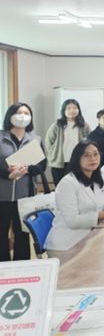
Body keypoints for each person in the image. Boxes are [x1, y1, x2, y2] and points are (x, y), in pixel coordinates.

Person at [44, 140, 104, 252]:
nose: (93, 158)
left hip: (90, 237)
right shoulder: (67, 183)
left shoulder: (100, 177)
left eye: (96, 154)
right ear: (77, 159)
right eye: (86, 155)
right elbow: (73, 221)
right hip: (66, 243)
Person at [0, 103, 47, 261]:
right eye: (19, 112)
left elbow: (42, 165)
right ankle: (2, 267)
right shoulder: (1, 137)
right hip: (2, 195)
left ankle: (22, 266)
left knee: (22, 234)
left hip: (25, 195)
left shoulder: (35, 139)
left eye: (26, 113)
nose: (23, 116)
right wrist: (9, 174)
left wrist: (27, 170)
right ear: (10, 115)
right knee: (1, 232)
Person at [46, 98, 91, 186]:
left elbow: (89, 141)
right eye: (68, 108)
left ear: (78, 110)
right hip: (59, 163)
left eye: (74, 108)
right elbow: (49, 142)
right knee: (60, 186)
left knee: (77, 186)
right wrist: (53, 154)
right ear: (64, 111)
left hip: (78, 161)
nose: (72, 110)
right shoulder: (57, 125)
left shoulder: (84, 125)